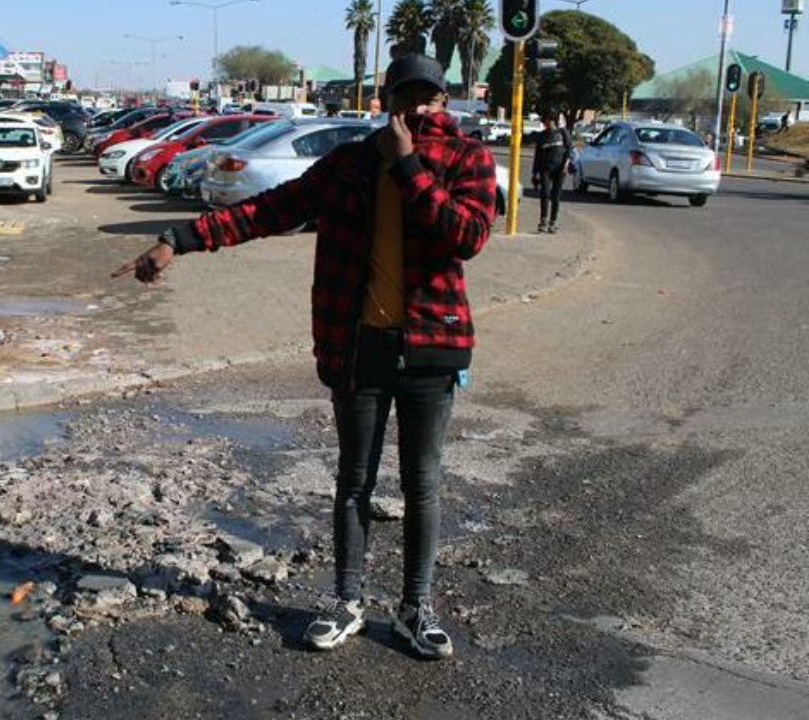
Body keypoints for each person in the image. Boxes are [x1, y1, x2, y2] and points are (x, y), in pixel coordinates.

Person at [113, 53, 497, 659]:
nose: (418, 110)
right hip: (359, 345)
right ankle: (347, 600)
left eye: (430, 98)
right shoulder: (348, 164)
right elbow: (271, 210)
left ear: (445, 103)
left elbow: (466, 237)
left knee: (423, 484)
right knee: (353, 482)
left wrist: (408, 168)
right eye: (407, 98)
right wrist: (178, 239)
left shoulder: (468, 159)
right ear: (386, 101)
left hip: (432, 346)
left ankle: (413, 609)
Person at [531, 113, 572, 234]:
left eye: (547, 121)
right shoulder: (541, 136)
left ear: (552, 121)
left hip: (560, 169)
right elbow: (537, 157)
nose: (545, 124)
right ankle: (543, 221)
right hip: (545, 169)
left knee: (556, 196)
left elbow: (569, 149)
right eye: (544, 122)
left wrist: (566, 164)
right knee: (545, 194)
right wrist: (534, 174)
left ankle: (552, 223)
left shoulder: (562, 133)